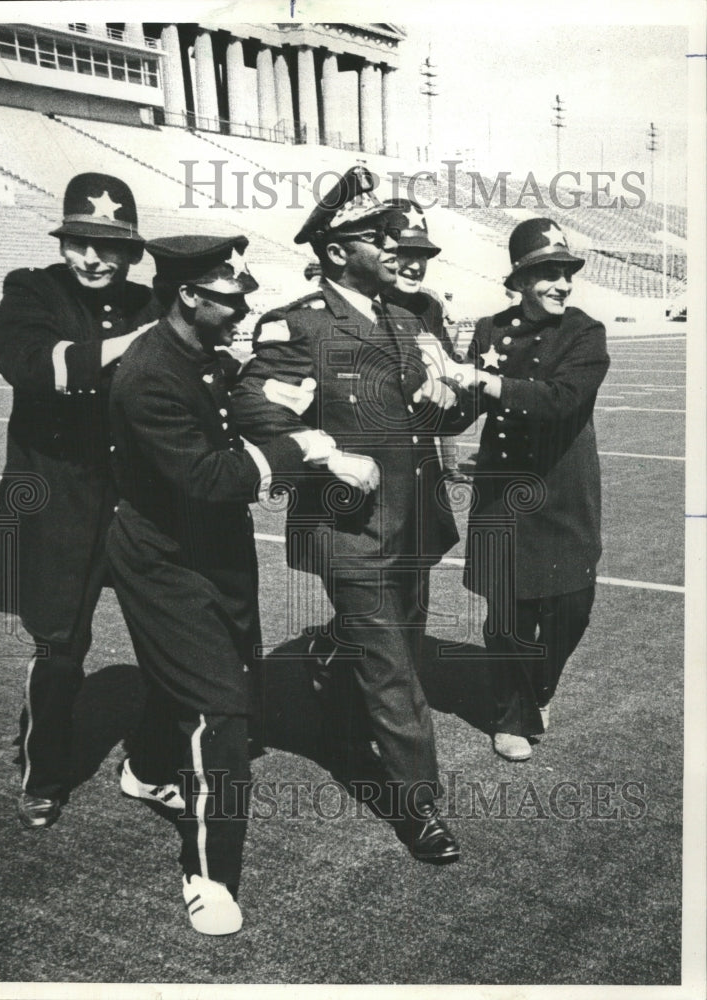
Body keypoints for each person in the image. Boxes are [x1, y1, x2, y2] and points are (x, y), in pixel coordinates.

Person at [106, 233, 377, 935]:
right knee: (220, 711)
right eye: (230, 297)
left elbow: (239, 412)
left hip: (212, 551)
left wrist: (283, 404)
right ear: (190, 297)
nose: (241, 309)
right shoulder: (149, 373)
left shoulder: (198, 356)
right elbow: (209, 477)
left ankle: (141, 766)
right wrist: (306, 447)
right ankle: (210, 875)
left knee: (213, 677)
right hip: (163, 559)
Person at [230, 165, 461, 864]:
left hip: (415, 520)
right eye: (375, 238)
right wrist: (323, 452)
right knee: (392, 666)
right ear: (336, 252)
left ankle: (331, 659)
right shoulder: (298, 324)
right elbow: (251, 403)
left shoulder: (403, 316)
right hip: (348, 528)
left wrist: (456, 391)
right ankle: (417, 804)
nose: (392, 250)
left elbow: (441, 405)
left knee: (404, 645)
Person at [0, 172, 160, 829]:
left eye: (109, 246)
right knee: (60, 649)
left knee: (172, 640)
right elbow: (35, 366)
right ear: (63, 244)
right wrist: (146, 345)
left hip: (139, 503)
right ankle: (44, 773)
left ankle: (153, 762)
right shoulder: (30, 289)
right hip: (54, 503)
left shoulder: (151, 301)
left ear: (133, 252)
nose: (91, 257)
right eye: (79, 242)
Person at [436, 218, 610, 761]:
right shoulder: (490, 329)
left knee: (571, 608)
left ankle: (540, 685)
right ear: (519, 280)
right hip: (503, 494)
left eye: (565, 273)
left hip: (561, 493)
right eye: (547, 274)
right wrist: (438, 387)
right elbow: (467, 407)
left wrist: (485, 382)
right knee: (509, 616)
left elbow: (561, 400)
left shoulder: (585, 332)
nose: (561, 284)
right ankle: (512, 715)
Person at [382, 198, 471, 484]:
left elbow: (448, 369)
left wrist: (448, 386)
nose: (416, 265)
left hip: (422, 457)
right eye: (404, 253)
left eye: (423, 255)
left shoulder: (428, 306)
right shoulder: (361, 306)